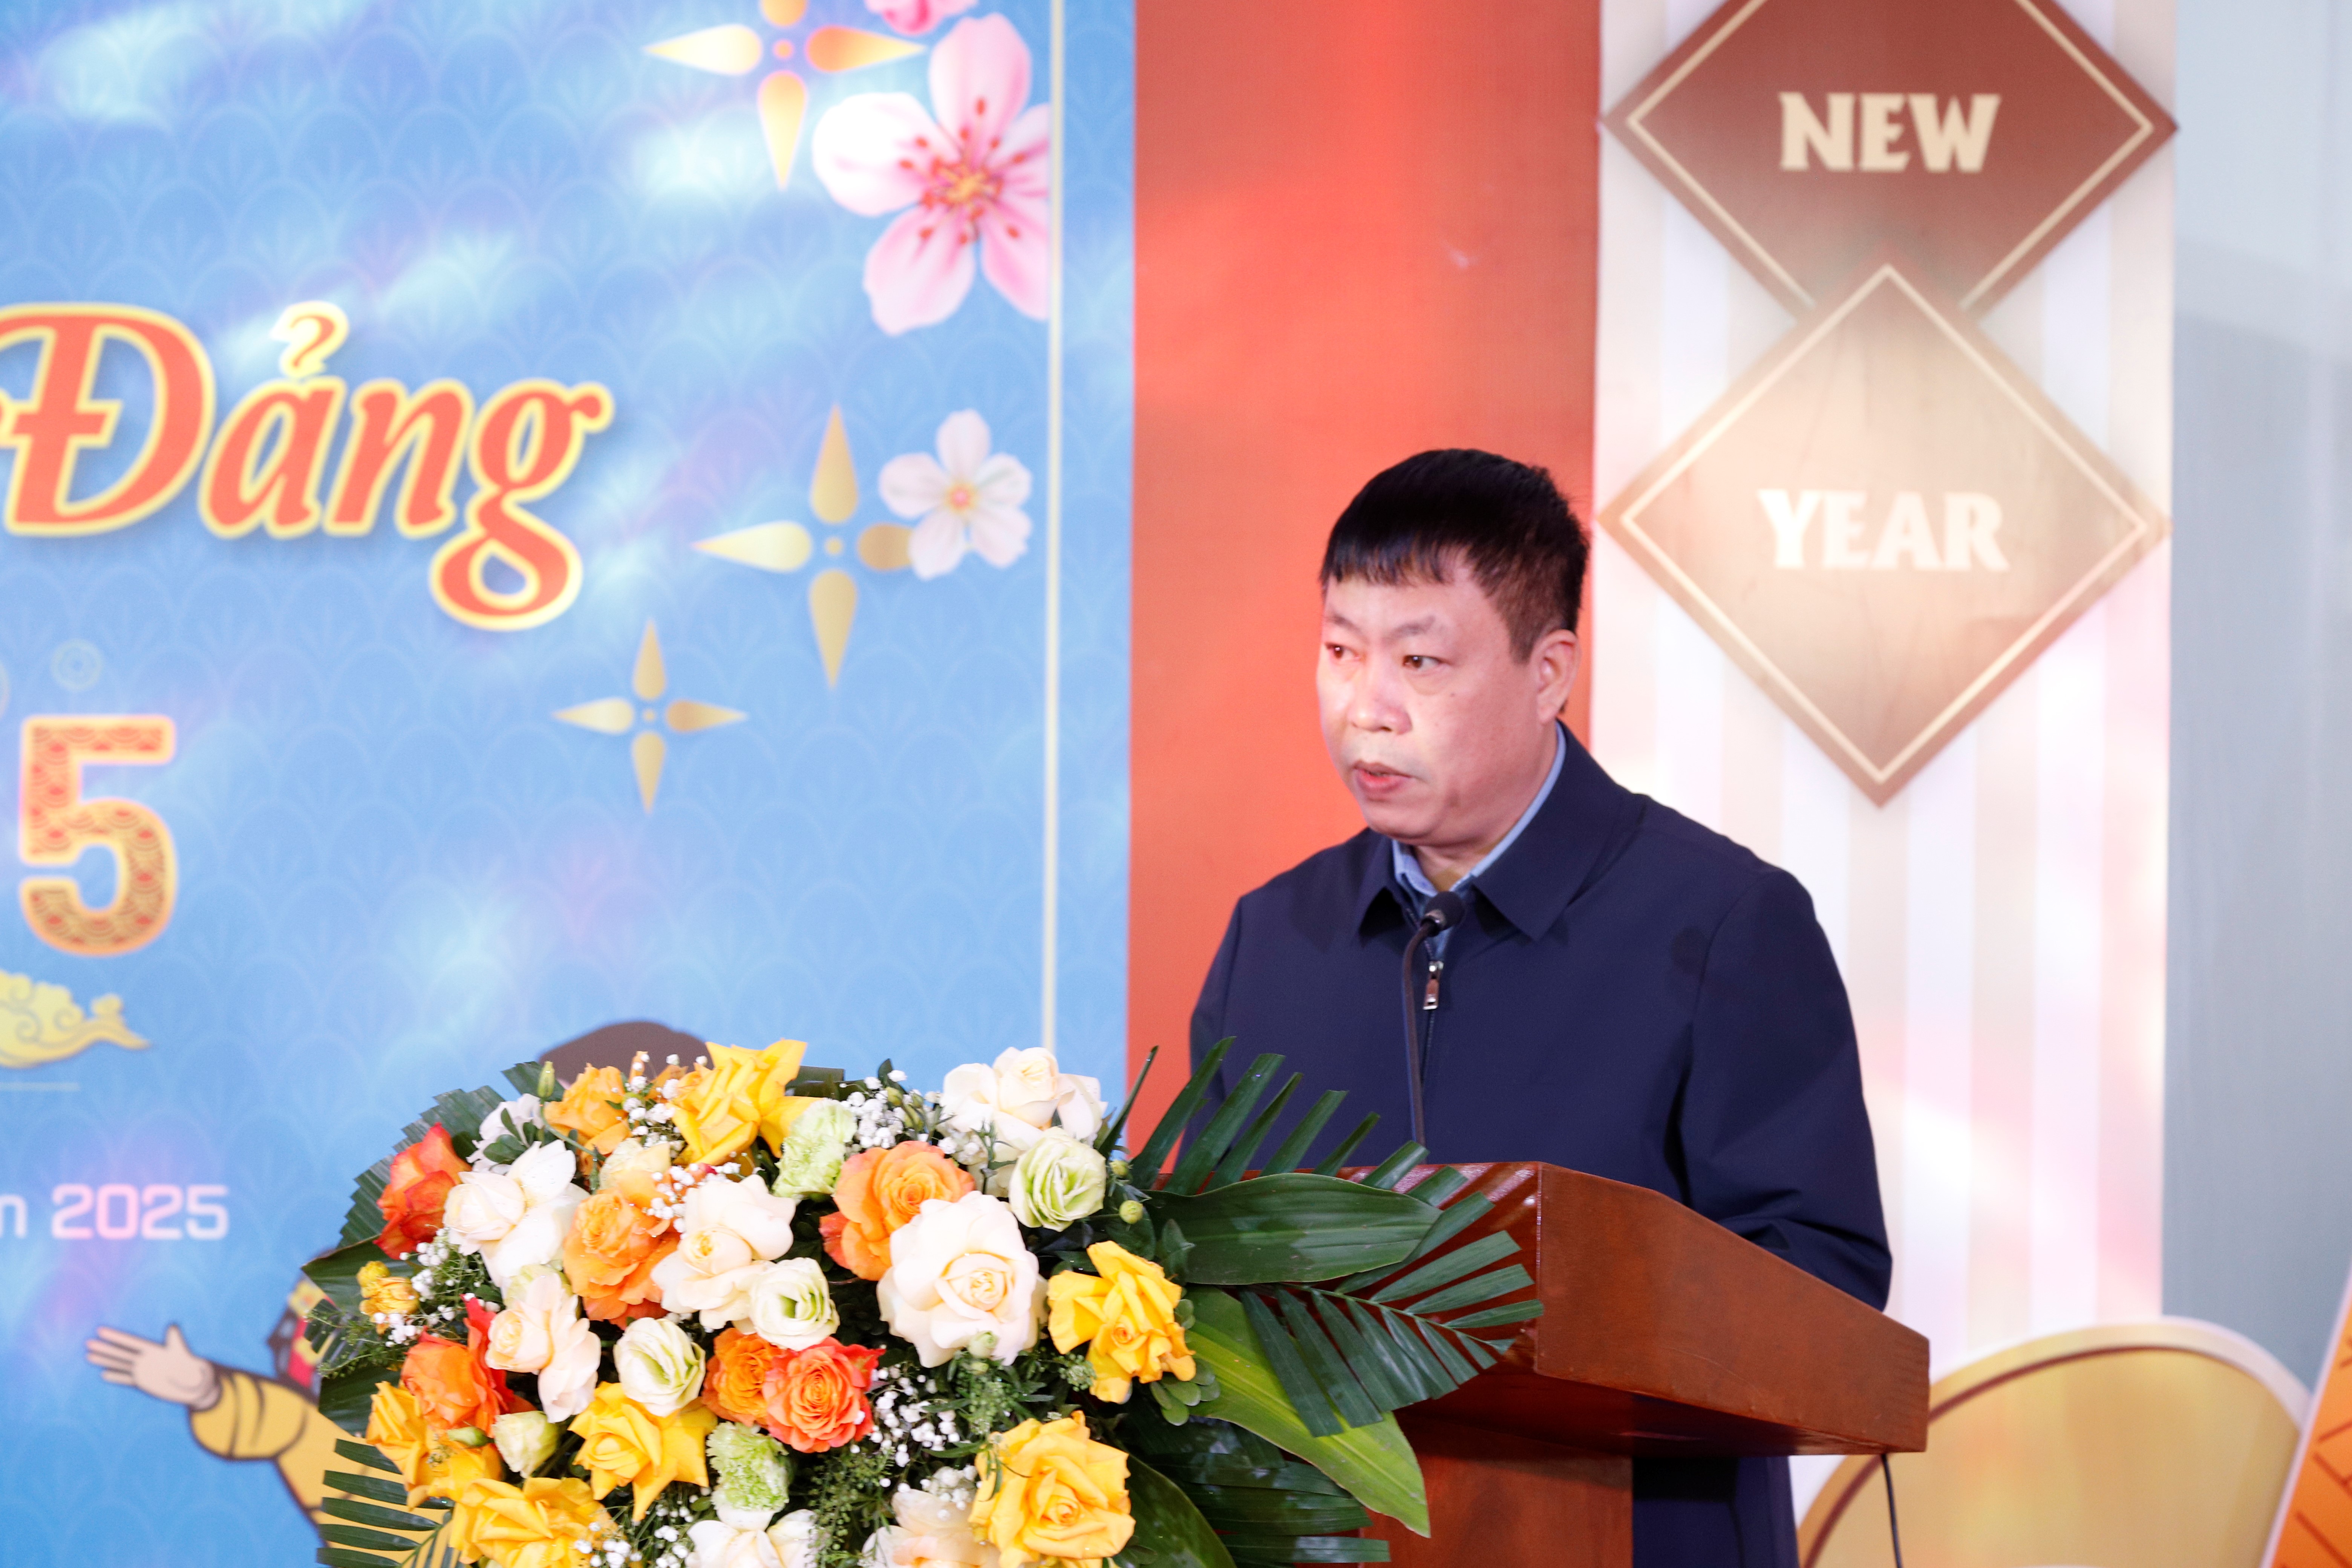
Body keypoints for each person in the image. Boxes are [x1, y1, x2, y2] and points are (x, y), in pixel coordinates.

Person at [1188, 448, 1891, 1567]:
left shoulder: (1721, 924)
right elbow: (1200, 1280)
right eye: (1340, 651)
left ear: (1549, 670)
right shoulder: (1274, 940)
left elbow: (1824, 1288)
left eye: (1421, 661)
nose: (1367, 708)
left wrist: (1562, 1315)